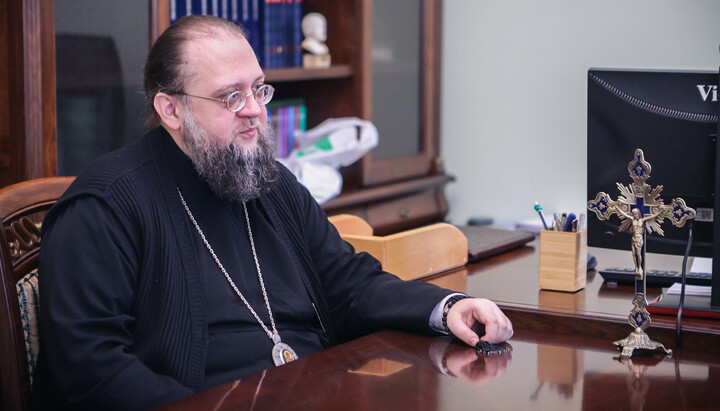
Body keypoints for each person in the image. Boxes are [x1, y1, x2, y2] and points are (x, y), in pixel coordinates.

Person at [32, 15, 513, 410]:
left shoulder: (270, 182)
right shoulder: (107, 205)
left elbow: (348, 282)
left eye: (259, 90)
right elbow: (90, 369)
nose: (255, 112)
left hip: (315, 389)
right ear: (170, 109)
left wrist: (445, 307)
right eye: (230, 97)